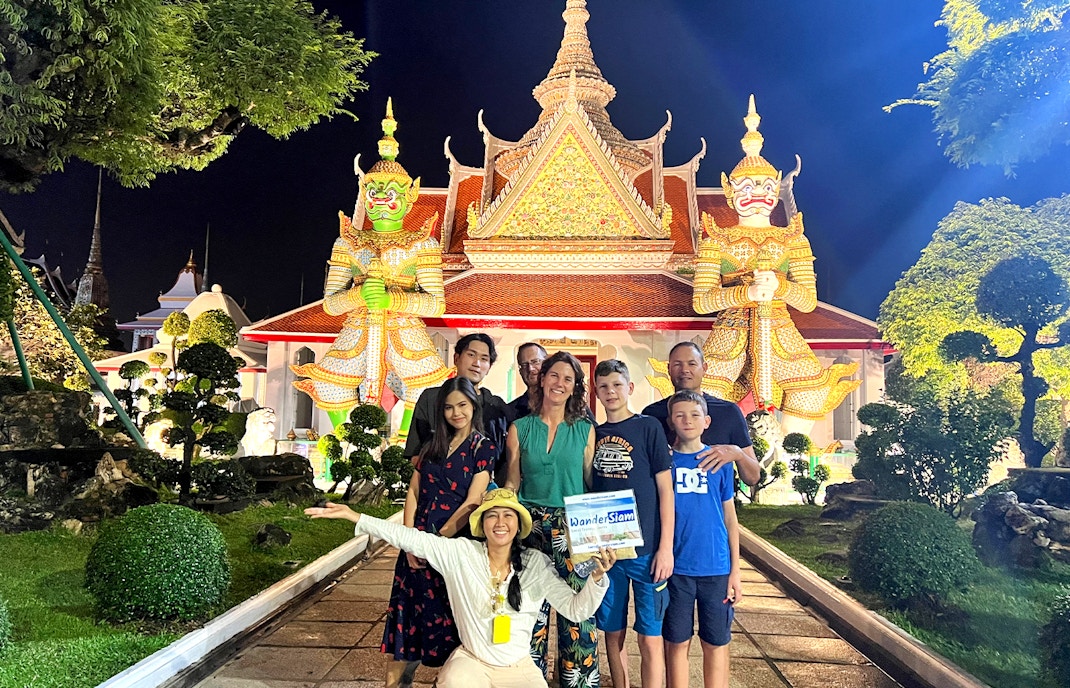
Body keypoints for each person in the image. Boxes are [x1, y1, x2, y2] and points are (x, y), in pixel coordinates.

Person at [305, 488, 617, 688]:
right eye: (492, 516)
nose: (500, 522)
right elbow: (410, 538)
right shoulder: (461, 554)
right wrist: (355, 516)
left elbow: (577, 610)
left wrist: (597, 578)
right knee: (454, 682)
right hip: (472, 663)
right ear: (482, 524)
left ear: (518, 525)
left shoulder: (536, 563)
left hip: (519, 666)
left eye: (508, 515)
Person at [692, 95, 860, 437]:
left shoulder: (793, 240)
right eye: (747, 186)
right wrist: (747, 292)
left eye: (767, 186)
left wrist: (780, 288)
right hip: (730, 332)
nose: (758, 193)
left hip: (781, 330)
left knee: (811, 393)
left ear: (777, 189)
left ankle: (787, 461)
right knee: (702, 398)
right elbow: (701, 301)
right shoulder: (717, 241)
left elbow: (808, 301)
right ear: (730, 191)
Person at [292, 100, 451, 437]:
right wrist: (360, 294)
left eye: (390, 192)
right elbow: (330, 304)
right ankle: (345, 450)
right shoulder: (348, 243)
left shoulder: (422, 244)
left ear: (409, 198)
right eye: (373, 190)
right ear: (364, 193)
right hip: (358, 329)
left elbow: (436, 303)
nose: (380, 199)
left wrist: (393, 300)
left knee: (426, 389)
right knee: (332, 389)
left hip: (405, 331)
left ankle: (405, 451)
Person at [381, 376, 495, 687]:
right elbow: (414, 492)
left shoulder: (482, 448)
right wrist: (409, 541)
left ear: (473, 406)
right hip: (415, 548)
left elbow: (473, 501)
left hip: (452, 549)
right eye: (448, 407)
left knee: (452, 626)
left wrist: (435, 542)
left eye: (463, 405)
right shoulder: (432, 445)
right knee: (406, 625)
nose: (456, 413)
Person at [503, 351, 600, 688]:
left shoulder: (586, 431)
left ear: (575, 389)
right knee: (529, 609)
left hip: (573, 527)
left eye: (568, 379)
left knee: (578, 611)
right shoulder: (519, 429)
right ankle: (527, 680)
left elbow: (590, 482)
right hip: (529, 527)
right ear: (541, 379)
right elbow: (513, 481)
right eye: (554, 376)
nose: (560, 383)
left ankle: (579, 681)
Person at [590, 359, 674, 688]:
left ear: (630, 388)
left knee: (650, 637)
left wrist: (665, 548)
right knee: (613, 633)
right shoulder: (593, 434)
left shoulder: (648, 427)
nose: (610, 392)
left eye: (616, 385)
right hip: (609, 554)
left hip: (647, 552)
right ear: (596, 392)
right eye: (603, 387)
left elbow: (666, 491)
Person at [663, 390, 742, 688]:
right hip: (677, 570)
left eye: (695, 415)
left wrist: (735, 571)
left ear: (706, 421)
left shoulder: (719, 461)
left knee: (716, 642)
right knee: (677, 642)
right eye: (680, 415)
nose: (688, 420)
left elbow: (730, 519)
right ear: (671, 421)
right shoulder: (665, 462)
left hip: (716, 569)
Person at [642, 342, 760, 487]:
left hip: (716, 505)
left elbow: (753, 478)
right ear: (669, 369)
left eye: (692, 364)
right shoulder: (651, 415)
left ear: (704, 368)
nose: (685, 370)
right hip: (666, 505)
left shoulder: (728, 412)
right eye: (678, 364)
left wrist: (737, 453)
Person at [405, 333, 510, 478]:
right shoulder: (431, 398)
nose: (477, 363)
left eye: (484, 359)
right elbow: (415, 452)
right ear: (456, 358)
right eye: (471, 355)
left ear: (489, 367)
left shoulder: (497, 407)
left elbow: (504, 458)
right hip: (437, 489)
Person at [506, 342, 547, 420]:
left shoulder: (562, 405)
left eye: (535, 362)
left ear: (546, 363)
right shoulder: (510, 411)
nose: (530, 368)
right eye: (524, 365)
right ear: (520, 371)